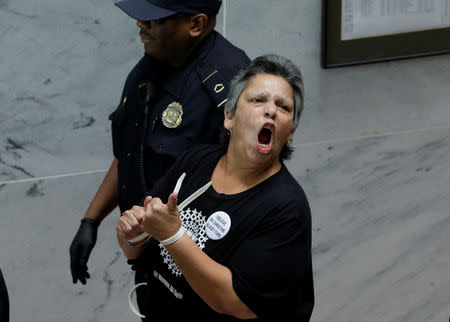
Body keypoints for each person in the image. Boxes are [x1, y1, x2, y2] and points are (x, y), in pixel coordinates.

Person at [117, 54, 314, 321]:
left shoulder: (286, 208)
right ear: (229, 116)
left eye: (283, 107)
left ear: (290, 131)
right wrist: (132, 233)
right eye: (258, 100)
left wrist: (173, 236)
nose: (271, 111)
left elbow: (235, 302)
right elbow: (138, 249)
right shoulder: (196, 161)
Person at [69, 0, 250, 291]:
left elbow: (243, 195)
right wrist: (91, 219)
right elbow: (133, 154)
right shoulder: (154, 63)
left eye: (155, 20)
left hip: (194, 274)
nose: (141, 24)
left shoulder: (231, 88)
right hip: (148, 256)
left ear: (196, 24)